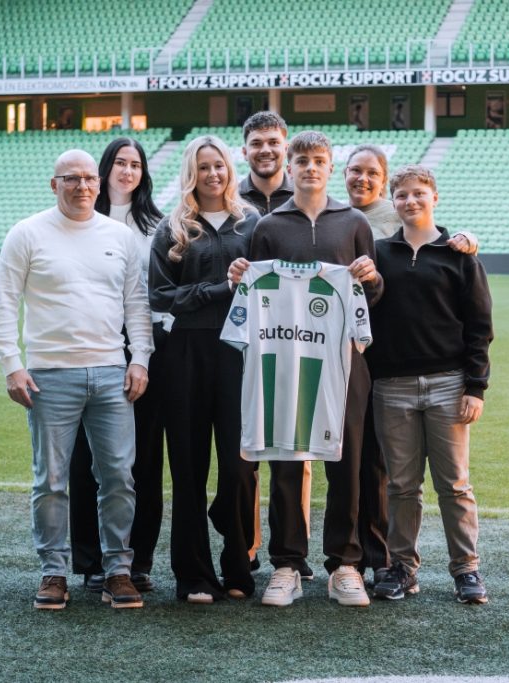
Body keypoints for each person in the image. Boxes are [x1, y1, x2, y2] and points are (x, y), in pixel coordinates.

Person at [0, 149, 153, 610]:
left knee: (118, 476)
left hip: (111, 373)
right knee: (51, 480)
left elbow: (135, 304)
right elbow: (4, 301)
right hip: (49, 376)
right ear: (54, 184)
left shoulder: (119, 236)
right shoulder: (26, 233)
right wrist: (11, 365)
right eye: (71, 178)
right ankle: (54, 572)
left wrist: (140, 358)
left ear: (98, 184)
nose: (82, 186)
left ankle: (117, 571)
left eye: (88, 178)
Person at [228, 130, 382, 608]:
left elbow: (371, 294)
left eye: (318, 160)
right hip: (285, 358)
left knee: (346, 463)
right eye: (302, 161)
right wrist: (239, 277)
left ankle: (345, 564)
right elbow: (256, 294)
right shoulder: (268, 226)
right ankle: (287, 563)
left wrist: (372, 278)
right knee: (287, 462)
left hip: (344, 361)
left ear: (330, 167)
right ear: (289, 168)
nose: (310, 168)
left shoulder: (353, 222)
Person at [342, 144, 481, 588]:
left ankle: (466, 569)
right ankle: (402, 567)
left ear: (434, 197)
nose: (410, 201)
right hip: (393, 386)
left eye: (419, 193)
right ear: (393, 201)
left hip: (448, 384)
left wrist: (475, 387)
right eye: (402, 195)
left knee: (454, 485)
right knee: (401, 486)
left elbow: (480, 325)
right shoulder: (380, 253)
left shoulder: (459, 254)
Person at [148, 135, 259, 603]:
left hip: (240, 354)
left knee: (239, 468)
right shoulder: (172, 227)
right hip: (186, 355)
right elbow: (159, 296)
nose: (214, 174)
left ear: (230, 170)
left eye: (220, 165)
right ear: (191, 173)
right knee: (188, 467)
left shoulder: (252, 223)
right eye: (204, 166)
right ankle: (192, 574)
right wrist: (218, 290)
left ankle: (238, 564)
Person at [68, 137, 166, 596]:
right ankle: (91, 559)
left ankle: (137, 559)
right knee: (87, 458)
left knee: (142, 458)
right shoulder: (81, 217)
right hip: (91, 343)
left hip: (146, 345)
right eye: (120, 163)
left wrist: (142, 353)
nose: (128, 171)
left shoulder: (159, 225)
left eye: (136, 164)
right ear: (104, 169)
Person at [238, 110, 314, 582]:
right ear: (244, 150)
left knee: (293, 452)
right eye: (257, 143)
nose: (265, 150)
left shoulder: (306, 196)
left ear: (285, 148)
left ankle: (291, 552)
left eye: (273, 142)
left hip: (297, 341)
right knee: (244, 454)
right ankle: (243, 549)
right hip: (244, 340)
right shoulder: (229, 198)